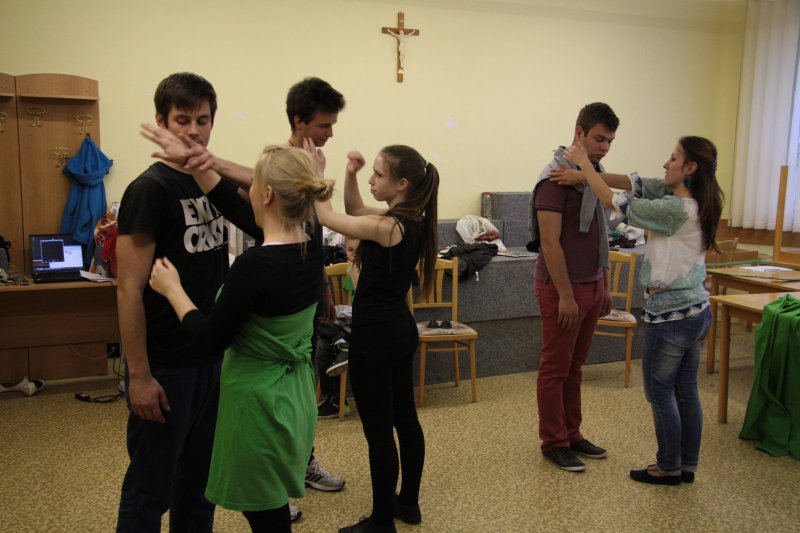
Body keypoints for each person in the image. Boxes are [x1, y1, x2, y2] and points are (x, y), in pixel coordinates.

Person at [149, 77, 347, 506]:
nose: (247, 189)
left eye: (254, 184)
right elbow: (232, 200)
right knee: (274, 480)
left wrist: (172, 289)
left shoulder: (255, 266)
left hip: (258, 396)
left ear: (267, 194)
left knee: (264, 499)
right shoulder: (309, 245)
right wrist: (201, 161)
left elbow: (209, 339)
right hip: (294, 394)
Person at [555, 135, 723, 485]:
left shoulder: (675, 208)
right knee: (686, 392)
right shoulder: (694, 199)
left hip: (672, 316)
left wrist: (583, 162)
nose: (665, 164)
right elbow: (633, 182)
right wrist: (585, 175)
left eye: (673, 158)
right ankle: (685, 465)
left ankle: (668, 467)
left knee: (661, 392)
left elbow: (616, 201)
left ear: (690, 168)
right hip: (696, 311)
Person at [115, 72, 225, 532]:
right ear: (161, 122)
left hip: (209, 359)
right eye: (183, 120)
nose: (194, 131)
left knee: (199, 487)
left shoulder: (209, 182)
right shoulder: (149, 190)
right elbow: (128, 289)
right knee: (149, 491)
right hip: (166, 366)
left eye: (203, 120)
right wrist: (140, 376)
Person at [315, 146, 438, 533]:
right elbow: (354, 208)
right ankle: (408, 504)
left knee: (379, 432)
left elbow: (328, 216)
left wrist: (316, 175)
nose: (372, 179)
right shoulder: (409, 219)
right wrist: (350, 173)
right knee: (405, 419)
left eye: (378, 174)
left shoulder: (388, 227)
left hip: (376, 336)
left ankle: (382, 520)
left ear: (401, 183)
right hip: (399, 329)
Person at [528, 102, 617, 472]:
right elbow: (550, 244)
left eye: (610, 141)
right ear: (579, 132)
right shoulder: (554, 178)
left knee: (575, 366)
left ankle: (572, 432)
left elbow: (600, 234)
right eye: (599, 139)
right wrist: (565, 295)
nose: (604, 148)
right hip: (562, 288)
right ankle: (554, 442)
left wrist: (603, 284)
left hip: (592, 284)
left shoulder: (593, 177)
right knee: (556, 367)